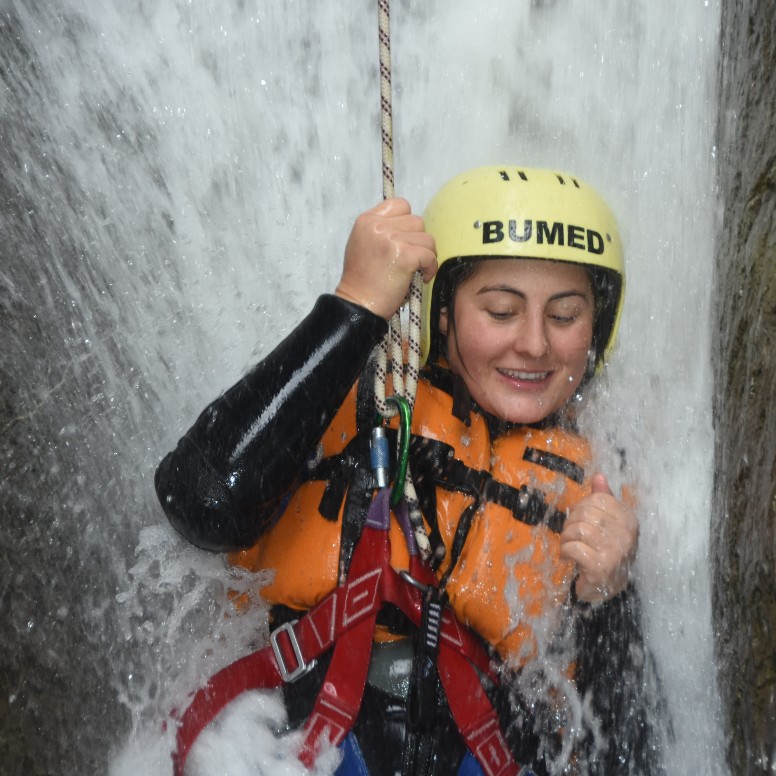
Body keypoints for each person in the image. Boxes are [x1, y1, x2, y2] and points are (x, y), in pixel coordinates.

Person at [156, 166, 649, 776]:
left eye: (565, 315)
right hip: (289, 735)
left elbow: (626, 759)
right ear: (441, 314)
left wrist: (610, 599)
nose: (534, 344)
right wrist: (353, 307)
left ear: (596, 326)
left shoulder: (597, 487)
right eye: (500, 310)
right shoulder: (353, 397)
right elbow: (202, 501)